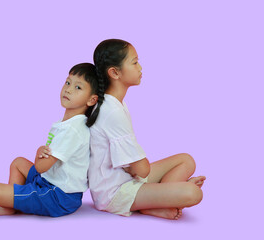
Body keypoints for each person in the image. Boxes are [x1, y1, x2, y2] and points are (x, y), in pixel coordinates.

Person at [88, 39, 206, 220]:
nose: (140, 67)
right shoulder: (111, 112)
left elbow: (135, 167)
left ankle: (158, 201)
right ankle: (156, 202)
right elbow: (142, 170)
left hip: (127, 179)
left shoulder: (115, 103)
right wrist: (136, 168)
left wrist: (134, 168)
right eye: (134, 62)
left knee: (186, 160)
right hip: (115, 193)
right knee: (193, 193)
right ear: (115, 72)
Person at [0, 63, 100, 217]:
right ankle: (12, 203)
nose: (68, 89)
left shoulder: (72, 130)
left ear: (92, 100)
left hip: (58, 196)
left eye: (78, 87)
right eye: (68, 82)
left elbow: (41, 167)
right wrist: (42, 153)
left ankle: (9, 206)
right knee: (18, 162)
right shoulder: (70, 123)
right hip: (49, 180)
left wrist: (38, 153)